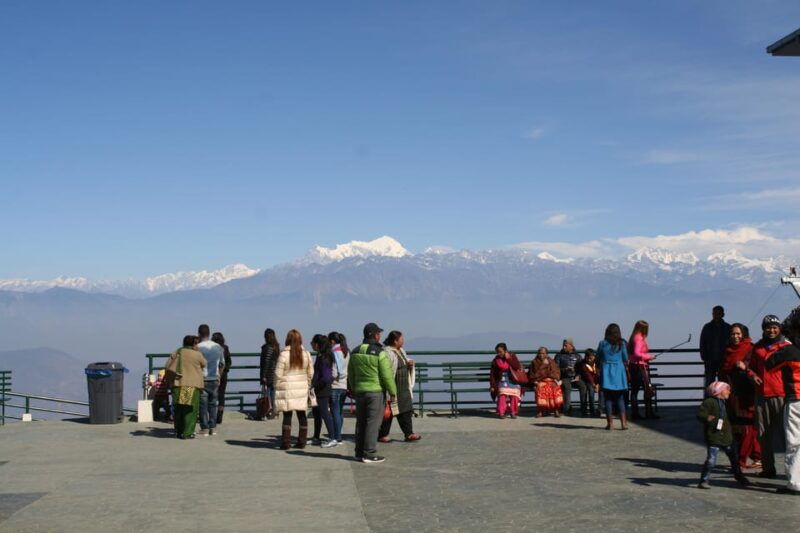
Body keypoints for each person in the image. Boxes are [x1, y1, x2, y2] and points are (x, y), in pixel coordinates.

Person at [746, 315, 790, 478]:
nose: (771, 330)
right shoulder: (757, 348)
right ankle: (768, 468)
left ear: (779, 329)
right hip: (761, 395)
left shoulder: (786, 347)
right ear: (763, 329)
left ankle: (792, 470)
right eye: (768, 327)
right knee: (763, 434)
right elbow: (750, 368)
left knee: (787, 435)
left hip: (782, 395)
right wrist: (752, 376)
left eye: (774, 327)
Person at [348, 323, 397, 464]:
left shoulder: (356, 351)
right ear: (374, 335)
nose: (380, 335)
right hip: (375, 392)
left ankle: (359, 452)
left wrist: (353, 387)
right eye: (378, 333)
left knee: (361, 422)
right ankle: (369, 453)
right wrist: (393, 392)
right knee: (373, 424)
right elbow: (386, 375)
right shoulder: (380, 353)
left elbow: (351, 373)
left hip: (360, 392)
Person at [764, 335, 800, 494]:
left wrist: (781, 347)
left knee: (794, 442)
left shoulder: (790, 351)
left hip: (796, 399)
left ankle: (795, 483)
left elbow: (769, 364)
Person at [697, 381, 750, 489]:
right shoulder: (709, 402)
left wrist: (750, 421)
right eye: (727, 390)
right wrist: (706, 417)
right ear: (719, 391)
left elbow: (732, 418)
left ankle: (739, 476)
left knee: (734, 459)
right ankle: (704, 480)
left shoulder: (725, 404)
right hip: (714, 437)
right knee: (711, 460)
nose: (729, 392)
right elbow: (700, 414)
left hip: (726, 438)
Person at [722, 323, 761, 470]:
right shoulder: (728, 350)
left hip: (746, 393)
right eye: (733, 333)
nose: (735, 336)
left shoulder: (750, 348)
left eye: (738, 333)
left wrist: (745, 368)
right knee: (739, 427)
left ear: (743, 334)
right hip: (732, 393)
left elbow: (757, 368)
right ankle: (757, 456)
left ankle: (741, 459)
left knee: (747, 427)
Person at [274, 329, 314, 450]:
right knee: (302, 415)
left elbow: (277, 374)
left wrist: (277, 386)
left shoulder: (284, 354)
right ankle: (302, 441)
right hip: (301, 389)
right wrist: (307, 383)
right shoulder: (306, 354)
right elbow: (311, 372)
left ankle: (285, 443)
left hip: (287, 389)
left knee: (287, 416)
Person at [378, 331, 421, 441]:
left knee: (406, 410)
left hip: (403, 387)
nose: (403, 341)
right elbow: (387, 370)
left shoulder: (401, 351)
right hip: (393, 385)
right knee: (390, 411)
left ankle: (409, 433)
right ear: (395, 341)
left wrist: (410, 365)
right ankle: (383, 434)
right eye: (401, 339)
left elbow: (404, 362)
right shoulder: (387, 352)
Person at [164, 335, 206, 439]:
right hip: (191, 385)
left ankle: (178, 430)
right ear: (193, 344)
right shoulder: (197, 354)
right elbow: (204, 363)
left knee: (178, 409)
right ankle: (187, 432)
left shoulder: (177, 352)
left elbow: (167, 366)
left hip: (177, 384)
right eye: (196, 343)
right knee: (190, 410)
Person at [597, 323, 629, 430]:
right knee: (620, 398)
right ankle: (623, 423)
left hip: (606, 372)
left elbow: (598, 357)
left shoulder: (602, 343)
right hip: (619, 373)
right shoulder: (622, 344)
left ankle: (610, 423)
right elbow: (625, 358)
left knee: (608, 399)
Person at [196, 324, 225, 436]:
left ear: (199, 334)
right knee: (213, 403)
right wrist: (219, 376)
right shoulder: (218, 347)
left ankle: (204, 428)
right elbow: (222, 364)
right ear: (209, 333)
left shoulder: (197, 347)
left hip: (202, 378)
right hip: (214, 378)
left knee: (203, 404)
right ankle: (213, 426)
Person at [628, 320, 658, 420]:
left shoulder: (633, 338)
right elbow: (637, 354)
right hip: (640, 368)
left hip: (634, 366)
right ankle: (648, 412)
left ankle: (635, 413)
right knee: (647, 390)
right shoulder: (639, 338)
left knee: (634, 391)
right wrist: (649, 356)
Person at [311, 334, 336, 447]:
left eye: (312, 342)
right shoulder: (321, 355)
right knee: (316, 414)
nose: (311, 344)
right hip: (318, 389)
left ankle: (332, 437)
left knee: (325, 413)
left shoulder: (324, 357)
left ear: (317, 344)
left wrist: (315, 385)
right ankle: (316, 437)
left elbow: (326, 377)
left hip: (323, 390)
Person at [490, 343, 525, 419]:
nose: (499, 354)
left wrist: (508, 359)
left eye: (500, 351)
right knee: (502, 395)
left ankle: (513, 412)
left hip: (513, 379)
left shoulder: (512, 356)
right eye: (497, 352)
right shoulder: (496, 360)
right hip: (502, 380)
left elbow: (516, 366)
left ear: (505, 351)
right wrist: (492, 385)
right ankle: (501, 412)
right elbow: (492, 374)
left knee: (515, 395)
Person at [700, 305, 732, 387]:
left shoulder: (728, 328)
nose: (716, 315)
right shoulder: (707, 327)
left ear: (722, 314)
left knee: (723, 383)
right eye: (714, 314)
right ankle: (710, 399)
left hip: (723, 360)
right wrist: (704, 357)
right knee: (710, 383)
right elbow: (702, 343)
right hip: (710, 360)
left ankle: (723, 399)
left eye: (718, 313)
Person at [529, 347, 563, 418]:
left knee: (555, 388)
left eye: (543, 353)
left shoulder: (551, 361)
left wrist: (552, 377)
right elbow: (533, 375)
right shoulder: (534, 362)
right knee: (540, 388)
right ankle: (541, 410)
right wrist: (544, 366)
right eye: (540, 353)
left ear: (547, 354)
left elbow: (556, 372)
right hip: (540, 381)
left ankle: (556, 410)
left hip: (551, 380)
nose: (541, 355)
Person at [329, 331, 349, 444]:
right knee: (340, 412)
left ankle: (336, 437)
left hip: (335, 385)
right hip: (344, 385)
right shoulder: (346, 351)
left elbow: (335, 372)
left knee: (335, 412)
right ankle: (339, 435)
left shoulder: (335, 351)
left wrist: (329, 381)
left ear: (332, 341)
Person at [554, 338, 581, 415]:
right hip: (564, 377)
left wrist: (578, 375)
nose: (563, 347)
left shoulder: (577, 356)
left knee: (583, 387)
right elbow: (556, 368)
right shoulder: (559, 356)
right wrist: (565, 370)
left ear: (571, 346)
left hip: (575, 377)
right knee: (567, 387)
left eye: (566, 346)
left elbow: (582, 368)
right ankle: (566, 409)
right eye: (563, 345)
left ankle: (584, 408)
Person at [212, 332, 232, 424]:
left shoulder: (212, 348)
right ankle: (220, 416)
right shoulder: (225, 348)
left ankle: (211, 415)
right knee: (221, 395)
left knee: (211, 395)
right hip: (223, 375)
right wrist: (225, 370)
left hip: (213, 374)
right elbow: (229, 361)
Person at [260, 328, 280, 419]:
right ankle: (274, 411)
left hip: (268, 374)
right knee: (272, 392)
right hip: (274, 372)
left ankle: (266, 410)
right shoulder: (276, 346)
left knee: (266, 393)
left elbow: (266, 361)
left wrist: (263, 375)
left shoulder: (268, 347)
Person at [575, 349, 599, 417]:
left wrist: (597, 384)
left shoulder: (597, 363)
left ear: (594, 357)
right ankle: (584, 411)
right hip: (585, 380)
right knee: (585, 390)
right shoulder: (583, 364)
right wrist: (594, 384)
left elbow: (598, 374)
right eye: (587, 358)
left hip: (594, 381)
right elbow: (587, 375)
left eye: (591, 358)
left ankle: (592, 410)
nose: (589, 360)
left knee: (591, 392)